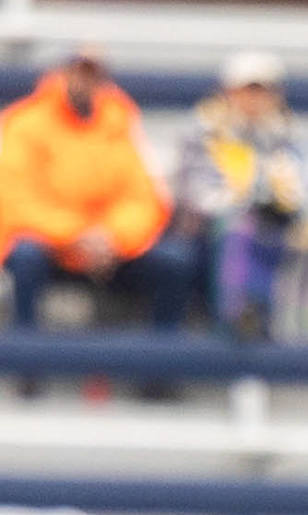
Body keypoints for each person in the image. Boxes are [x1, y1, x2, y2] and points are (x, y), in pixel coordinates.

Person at [1, 50, 198, 340]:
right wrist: (76, 234)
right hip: (54, 247)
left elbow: (145, 198)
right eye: (78, 73)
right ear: (62, 74)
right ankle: (25, 354)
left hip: (110, 250)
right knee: (25, 256)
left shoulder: (119, 122)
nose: (85, 82)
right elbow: (16, 200)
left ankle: (160, 360)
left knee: (175, 261)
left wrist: (112, 236)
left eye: (93, 75)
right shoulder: (26, 123)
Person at [169, 55, 308, 343]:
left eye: (262, 91)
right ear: (228, 92)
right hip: (211, 231)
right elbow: (193, 194)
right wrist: (247, 201)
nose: (254, 100)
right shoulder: (203, 133)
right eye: (247, 91)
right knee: (240, 231)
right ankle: (238, 316)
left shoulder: (293, 136)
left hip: (278, 226)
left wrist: (287, 203)